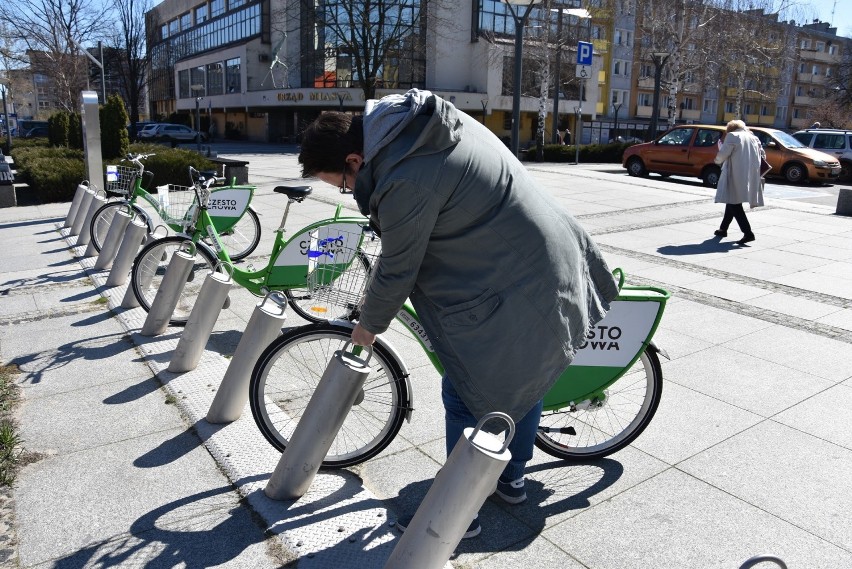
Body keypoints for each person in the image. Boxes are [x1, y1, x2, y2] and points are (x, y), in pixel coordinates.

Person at [297, 89, 618, 538]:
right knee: (520, 375)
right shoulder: (423, 126)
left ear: (354, 160)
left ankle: (456, 513)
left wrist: (365, 330)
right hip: (543, 255)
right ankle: (511, 480)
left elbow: (397, 269)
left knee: (467, 390)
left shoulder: (404, 176)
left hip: (517, 274)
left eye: (343, 184)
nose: (349, 192)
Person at [713, 119, 764, 244]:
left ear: (730, 129)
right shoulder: (753, 137)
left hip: (735, 173)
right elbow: (762, 155)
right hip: (749, 174)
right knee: (731, 199)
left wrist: (717, 159)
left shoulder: (732, 136)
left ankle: (748, 233)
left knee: (734, 203)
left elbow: (722, 155)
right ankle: (723, 229)